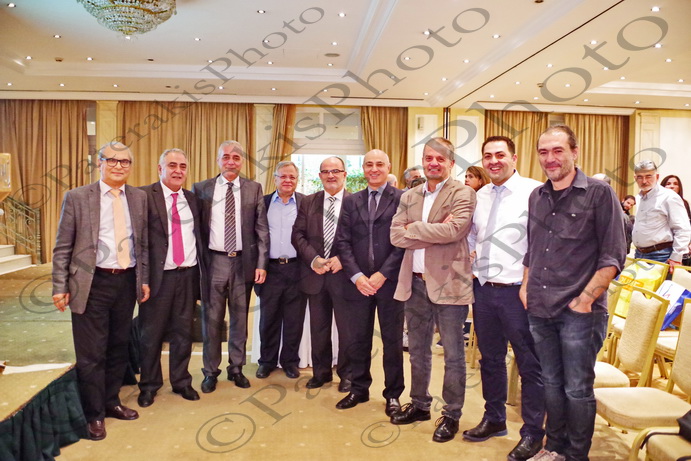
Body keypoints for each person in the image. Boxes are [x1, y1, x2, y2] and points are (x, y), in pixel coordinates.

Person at [520, 125, 626, 461]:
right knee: (551, 383)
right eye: (543, 152)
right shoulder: (537, 196)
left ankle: (577, 455)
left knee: (577, 389)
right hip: (540, 307)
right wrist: (525, 285)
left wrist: (585, 300)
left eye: (558, 151)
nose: (550, 158)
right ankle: (554, 448)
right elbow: (533, 249)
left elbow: (614, 255)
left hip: (579, 312)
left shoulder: (599, 193)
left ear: (575, 152)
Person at [52, 142, 150, 441]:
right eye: (112, 160)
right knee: (91, 353)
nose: (119, 166)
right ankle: (94, 414)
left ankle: (111, 402)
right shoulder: (78, 197)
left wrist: (143, 279)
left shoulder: (139, 197)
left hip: (126, 282)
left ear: (131, 166)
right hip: (91, 284)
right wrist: (59, 286)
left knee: (118, 347)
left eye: (125, 161)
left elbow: (142, 244)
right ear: (100, 163)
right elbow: (63, 246)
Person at [389, 137, 476, 443]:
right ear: (423, 161)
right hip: (414, 283)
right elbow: (395, 236)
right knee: (417, 351)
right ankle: (420, 404)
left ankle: (452, 414)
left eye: (440, 159)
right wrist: (435, 230)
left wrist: (414, 229)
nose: (434, 163)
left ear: (451, 163)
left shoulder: (463, 192)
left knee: (453, 355)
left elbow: (455, 230)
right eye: (429, 158)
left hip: (450, 283)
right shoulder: (409, 195)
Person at [463, 136, 544, 460]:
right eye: (488, 156)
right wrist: (471, 260)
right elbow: (473, 234)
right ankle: (494, 417)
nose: (494, 161)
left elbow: (542, 242)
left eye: (500, 155)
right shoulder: (480, 195)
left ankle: (533, 433)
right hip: (484, 291)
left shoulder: (534, 192)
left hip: (518, 293)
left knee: (529, 364)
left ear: (514, 158)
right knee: (491, 360)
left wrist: (530, 283)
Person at [192, 140, 269, 393]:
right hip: (213, 262)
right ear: (218, 160)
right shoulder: (201, 189)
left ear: (242, 161)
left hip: (242, 263)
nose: (231, 162)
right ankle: (210, 372)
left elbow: (261, 229)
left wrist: (261, 263)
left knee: (239, 319)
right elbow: (195, 229)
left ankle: (236, 368)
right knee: (212, 320)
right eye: (226, 157)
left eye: (236, 157)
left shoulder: (253, 189)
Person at [334, 149, 405, 416]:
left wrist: (383, 274)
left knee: (392, 341)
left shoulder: (402, 198)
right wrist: (357, 276)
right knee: (357, 339)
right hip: (358, 284)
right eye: (368, 164)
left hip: (390, 282)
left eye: (379, 164)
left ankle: (393, 394)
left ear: (388, 167)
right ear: (363, 169)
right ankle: (359, 388)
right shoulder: (351, 201)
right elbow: (342, 242)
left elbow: (403, 242)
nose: (374, 169)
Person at [137, 148, 203, 408]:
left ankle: (181, 381)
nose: (178, 171)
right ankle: (149, 385)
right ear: (160, 168)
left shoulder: (193, 199)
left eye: (183, 166)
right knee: (150, 334)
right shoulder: (144, 196)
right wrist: (141, 278)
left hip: (188, 275)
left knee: (183, 332)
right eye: (172, 165)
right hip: (157, 278)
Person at [291, 156, 352, 392]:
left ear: (344, 174)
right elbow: (297, 235)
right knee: (318, 328)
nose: (331, 175)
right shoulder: (309, 202)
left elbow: (361, 237)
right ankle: (321, 373)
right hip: (315, 275)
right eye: (325, 171)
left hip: (344, 277)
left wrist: (342, 259)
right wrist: (314, 259)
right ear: (319, 176)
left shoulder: (355, 202)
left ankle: (347, 375)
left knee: (347, 330)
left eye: (335, 171)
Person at [255, 161, 305, 379]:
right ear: (275, 179)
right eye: (283, 176)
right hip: (270, 270)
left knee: (294, 320)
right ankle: (266, 361)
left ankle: (290, 362)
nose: (287, 180)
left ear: (297, 180)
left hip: (297, 269)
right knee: (269, 319)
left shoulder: (305, 203)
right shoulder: (263, 203)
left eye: (292, 177)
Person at [631, 161, 691, 268]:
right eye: (640, 177)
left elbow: (682, 229)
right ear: (635, 178)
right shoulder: (639, 197)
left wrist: (676, 257)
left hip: (661, 255)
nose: (644, 181)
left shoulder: (669, 197)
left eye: (648, 176)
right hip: (639, 254)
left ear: (657, 177)